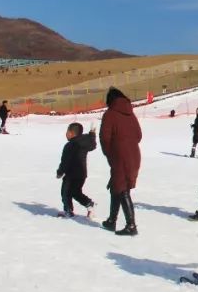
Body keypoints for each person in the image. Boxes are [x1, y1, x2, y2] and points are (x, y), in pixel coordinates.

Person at [100, 87, 142, 236]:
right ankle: (112, 220)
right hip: (134, 155)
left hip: (119, 156)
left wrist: (110, 154)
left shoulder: (110, 114)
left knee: (122, 188)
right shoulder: (131, 114)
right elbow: (138, 135)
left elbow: (105, 138)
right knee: (116, 186)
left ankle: (131, 225)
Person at [57, 122, 97, 217]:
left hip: (71, 175)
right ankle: (89, 204)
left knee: (65, 192)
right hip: (82, 174)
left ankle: (68, 211)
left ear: (71, 133)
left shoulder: (69, 145)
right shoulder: (84, 142)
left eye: (67, 131)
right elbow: (92, 144)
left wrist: (60, 172)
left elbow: (65, 162)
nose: (66, 134)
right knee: (76, 192)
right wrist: (92, 133)